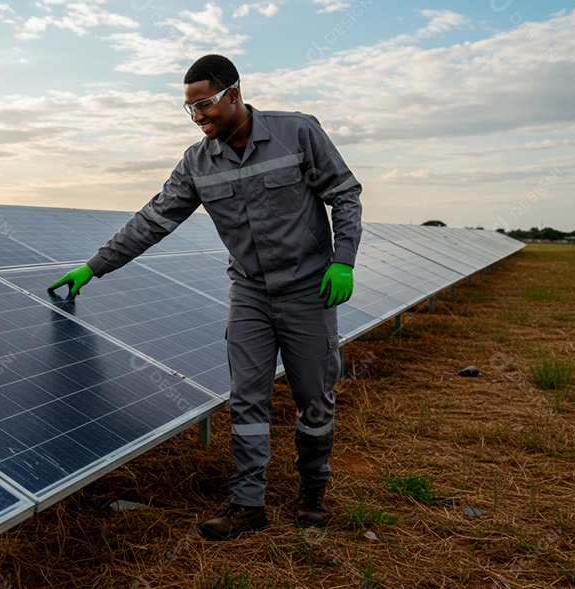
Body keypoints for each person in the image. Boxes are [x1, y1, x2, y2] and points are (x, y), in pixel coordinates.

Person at [48, 54, 362, 540]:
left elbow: (344, 193)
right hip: (251, 294)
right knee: (246, 400)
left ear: (234, 94)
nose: (199, 117)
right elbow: (153, 221)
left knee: (314, 400)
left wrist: (344, 259)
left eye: (206, 104)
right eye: (189, 108)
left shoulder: (297, 132)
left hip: (308, 291)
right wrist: (94, 266)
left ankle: (312, 492)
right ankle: (247, 504)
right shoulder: (198, 162)